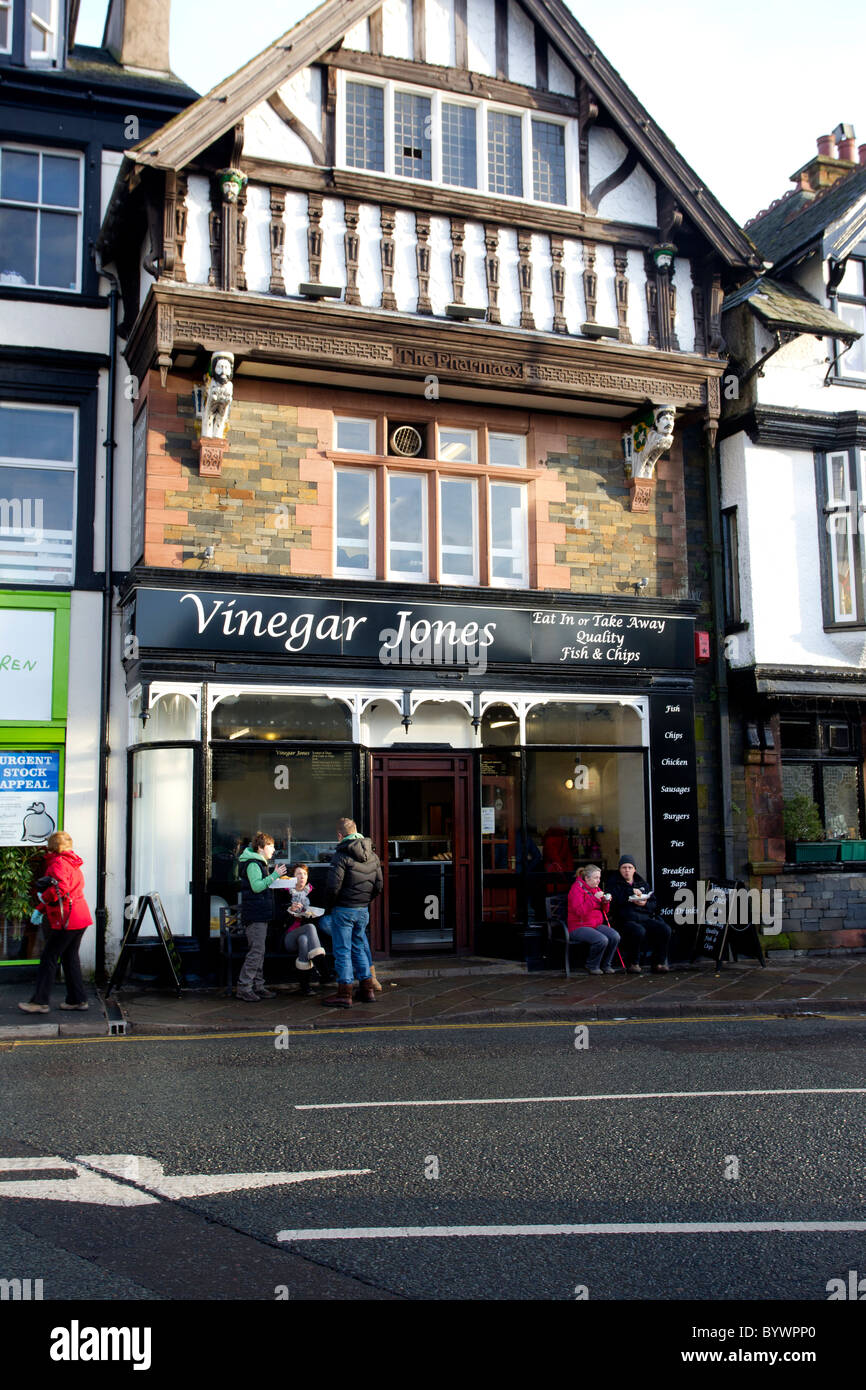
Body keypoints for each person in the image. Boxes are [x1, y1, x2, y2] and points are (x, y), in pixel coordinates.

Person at [18, 831, 92, 1014]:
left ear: (51, 846)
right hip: (79, 916)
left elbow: (61, 889)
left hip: (66, 919)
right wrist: (41, 908)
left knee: (48, 958)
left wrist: (43, 898)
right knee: (70, 957)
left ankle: (39, 1002)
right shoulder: (73, 862)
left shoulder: (58, 863)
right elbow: (68, 891)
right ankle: (77, 999)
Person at [321, 817, 382, 1009]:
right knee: (359, 947)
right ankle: (367, 989)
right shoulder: (372, 854)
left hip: (344, 909)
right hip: (362, 909)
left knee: (343, 951)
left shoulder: (341, 855)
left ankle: (344, 993)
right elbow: (378, 885)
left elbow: (332, 887)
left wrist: (331, 905)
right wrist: (363, 901)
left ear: (340, 835)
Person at [236, 833, 293, 1002]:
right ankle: (244, 987)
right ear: (260, 848)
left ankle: (258, 986)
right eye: (271, 846)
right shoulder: (253, 864)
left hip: (259, 913)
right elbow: (257, 886)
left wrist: (274, 878)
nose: (274, 849)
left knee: (259, 951)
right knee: (256, 952)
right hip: (255, 915)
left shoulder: (258, 863)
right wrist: (274, 876)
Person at [606, 854, 672, 973]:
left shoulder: (642, 883)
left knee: (664, 929)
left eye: (630, 867)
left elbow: (654, 903)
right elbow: (613, 903)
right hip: (625, 920)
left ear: (634, 869)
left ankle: (658, 963)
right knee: (638, 930)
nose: (627, 870)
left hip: (644, 917)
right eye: (624, 867)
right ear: (619, 869)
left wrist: (645, 903)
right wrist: (629, 894)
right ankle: (633, 963)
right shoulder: (613, 884)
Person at [566, 864, 621, 975]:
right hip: (578, 926)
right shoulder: (576, 889)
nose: (598, 881)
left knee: (615, 936)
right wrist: (594, 898)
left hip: (595, 924)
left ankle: (606, 964)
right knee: (601, 940)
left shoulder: (595, 888)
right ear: (587, 878)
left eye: (599, 878)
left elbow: (605, 911)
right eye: (596, 878)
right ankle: (592, 965)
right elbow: (579, 912)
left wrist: (605, 901)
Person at [283, 863, 327, 987]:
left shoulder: (314, 892)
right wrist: (290, 910)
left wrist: (309, 914)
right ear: (292, 877)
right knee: (309, 928)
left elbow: (321, 912)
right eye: (298, 874)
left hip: (308, 938)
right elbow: (277, 919)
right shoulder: (285, 893)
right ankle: (324, 970)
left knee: (304, 939)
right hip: (289, 937)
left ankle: (304, 986)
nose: (302, 876)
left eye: (304, 874)